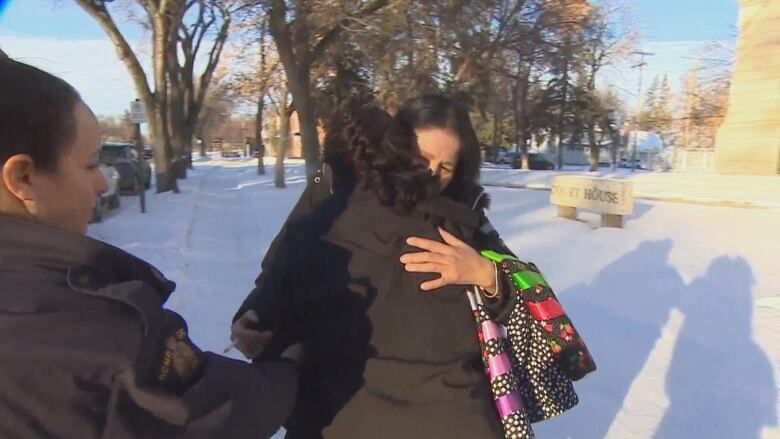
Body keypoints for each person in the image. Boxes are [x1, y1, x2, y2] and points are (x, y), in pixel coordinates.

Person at [0, 57, 301, 438]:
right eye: (91, 165)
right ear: (23, 178)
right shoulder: (102, 337)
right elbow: (225, 412)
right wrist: (292, 362)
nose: (103, 186)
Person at [231, 96, 525, 438]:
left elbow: (535, 301)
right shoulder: (328, 198)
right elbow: (282, 270)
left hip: (432, 415)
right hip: (352, 410)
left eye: (445, 167)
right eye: (423, 158)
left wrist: (488, 276)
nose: (430, 173)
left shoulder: (465, 224)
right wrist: (256, 315)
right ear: (395, 147)